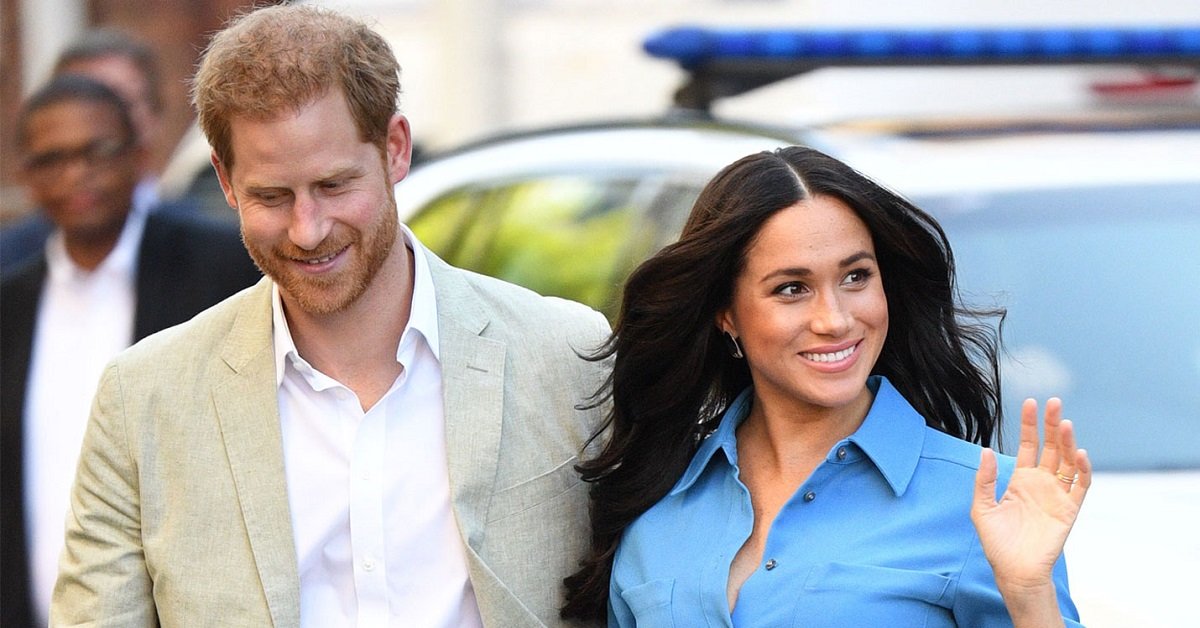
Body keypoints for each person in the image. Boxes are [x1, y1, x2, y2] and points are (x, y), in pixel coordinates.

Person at [49, 5, 610, 627]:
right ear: (225, 180)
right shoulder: (143, 399)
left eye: (334, 186)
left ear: (395, 149)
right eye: (271, 196)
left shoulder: (566, 354)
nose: (307, 230)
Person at [560, 146, 1091, 627]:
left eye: (856, 277)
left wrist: (1029, 596)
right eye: (792, 288)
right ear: (726, 313)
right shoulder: (657, 503)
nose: (834, 319)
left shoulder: (984, 499)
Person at [0, 75, 261, 628]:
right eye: (52, 159)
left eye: (96, 152)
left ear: (139, 155)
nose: (77, 174)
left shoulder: (221, 270)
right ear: (28, 175)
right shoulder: (9, 305)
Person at [1, 28, 169, 270]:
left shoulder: (212, 250)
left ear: (156, 113)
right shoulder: (10, 261)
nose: (93, 125)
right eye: (78, 101)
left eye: (121, 103)